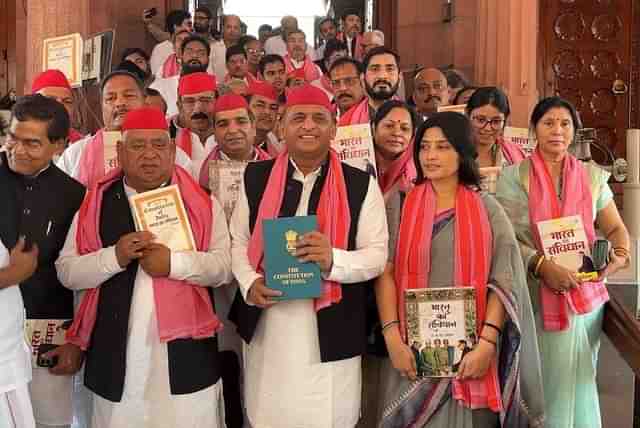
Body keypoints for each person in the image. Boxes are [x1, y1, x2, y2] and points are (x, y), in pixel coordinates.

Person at [56, 107, 232, 428]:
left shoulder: (203, 202)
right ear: (120, 152)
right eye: (137, 146)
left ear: (172, 151)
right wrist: (115, 257)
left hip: (187, 353)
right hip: (115, 354)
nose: (149, 154)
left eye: (158, 145)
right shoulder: (95, 204)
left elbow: (222, 268)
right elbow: (67, 272)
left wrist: (174, 263)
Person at [228, 84, 388, 427]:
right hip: (268, 326)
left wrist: (334, 261)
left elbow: (377, 256)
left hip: (333, 327)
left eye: (319, 118)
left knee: (328, 416)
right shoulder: (255, 178)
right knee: (268, 413)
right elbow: (238, 242)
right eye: (298, 117)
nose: (308, 126)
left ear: (334, 127)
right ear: (281, 125)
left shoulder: (360, 183)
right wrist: (250, 281)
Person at [375, 112, 545, 427]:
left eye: (442, 147)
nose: (430, 156)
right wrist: (393, 340)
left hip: (473, 357)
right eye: (424, 147)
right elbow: (385, 274)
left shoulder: (487, 208)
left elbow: (503, 281)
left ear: (462, 152)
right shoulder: (398, 204)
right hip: (411, 353)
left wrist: (486, 344)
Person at [496, 97, 630, 428]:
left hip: (584, 298)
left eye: (565, 123)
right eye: (548, 123)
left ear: (574, 130)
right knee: (542, 384)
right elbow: (510, 239)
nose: (557, 130)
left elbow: (615, 228)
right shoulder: (513, 177)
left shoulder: (593, 176)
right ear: (533, 130)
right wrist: (543, 267)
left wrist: (619, 257)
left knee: (579, 380)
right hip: (535, 293)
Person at [2, 95, 86, 428]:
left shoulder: (74, 195)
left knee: (49, 420)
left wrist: (76, 340)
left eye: (32, 143)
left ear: (59, 145)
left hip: (48, 332)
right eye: (13, 137)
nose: (17, 150)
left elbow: (75, 271)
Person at [57, 71, 191, 186]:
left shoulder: (173, 155)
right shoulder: (75, 154)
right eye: (110, 98)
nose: (120, 103)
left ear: (145, 101)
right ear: (102, 106)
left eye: (129, 96)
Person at [198, 93, 271, 189]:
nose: (232, 130)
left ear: (253, 127)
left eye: (241, 122)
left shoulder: (275, 168)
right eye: (223, 124)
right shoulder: (198, 172)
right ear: (214, 133)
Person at [466, 86, 525, 193]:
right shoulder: (455, 152)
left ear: (505, 121)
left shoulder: (514, 152)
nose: (488, 128)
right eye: (480, 120)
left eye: (496, 121)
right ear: (467, 115)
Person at [150, 34, 212, 118]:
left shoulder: (218, 89)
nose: (195, 56)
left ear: (208, 59)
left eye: (201, 53)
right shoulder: (159, 88)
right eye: (189, 52)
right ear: (181, 56)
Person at [339, 47, 401, 126]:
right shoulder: (346, 122)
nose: (382, 76)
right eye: (375, 69)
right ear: (362, 78)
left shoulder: (413, 120)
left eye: (389, 69)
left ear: (399, 78)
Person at [173, 72, 218, 180]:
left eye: (205, 100)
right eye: (189, 101)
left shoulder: (231, 142)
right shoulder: (170, 149)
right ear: (180, 107)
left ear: (217, 102)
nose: (198, 109)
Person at [372, 100, 419, 199]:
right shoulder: (359, 157)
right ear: (373, 128)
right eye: (389, 126)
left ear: (412, 135)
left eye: (404, 128)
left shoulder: (419, 168)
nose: (397, 133)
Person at [30, 70, 84, 144]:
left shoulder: (83, 146)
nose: (60, 107)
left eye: (67, 101)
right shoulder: (16, 143)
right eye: (50, 100)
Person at [149, 10, 192, 76]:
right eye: (188, 24)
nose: (191, 28)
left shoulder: (193, 46)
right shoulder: (160, 49)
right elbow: (156, 75)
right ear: (176, 26)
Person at [246, 81, 282, 157]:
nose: (267, 112)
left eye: (273, 108)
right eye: (260, 105)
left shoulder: (277, 150)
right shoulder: (225, 144)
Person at [211, 15, 243, 81]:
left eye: (235, 27)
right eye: (229, 27)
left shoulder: (244, 50)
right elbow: (209, 73)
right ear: (223, 29)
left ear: (240, 30)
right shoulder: (212, 48)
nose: (232, 30)